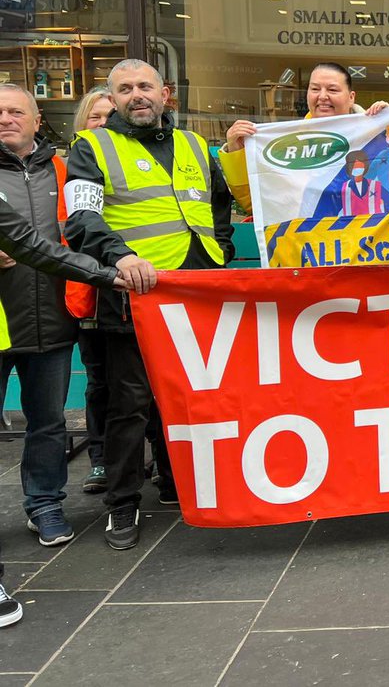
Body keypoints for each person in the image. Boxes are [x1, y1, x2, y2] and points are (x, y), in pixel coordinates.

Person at [66, 59, 235, 551]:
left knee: (190, 398)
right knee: (131, 405)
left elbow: (220, 202)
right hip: (135, 298)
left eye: (145, 86)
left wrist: (219, 248)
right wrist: (123, 256)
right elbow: (81, 219)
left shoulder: (196, 146)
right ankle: (122, 504)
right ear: (113, 99)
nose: (136, 95)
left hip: (198, 294)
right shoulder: (91, 146)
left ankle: (178, 484)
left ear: (166, 95)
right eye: (125, 88)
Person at [0, 193, 130, 629]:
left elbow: (30, 244)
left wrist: (104, 274)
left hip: (40, 321)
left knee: (48, 419)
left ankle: (43, 505)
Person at [0, 85, 97, 547]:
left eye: (16, 111)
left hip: (54, 317)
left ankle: (45, 504)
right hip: (2, 320)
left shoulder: (63, 170)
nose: (6, 119)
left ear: (38, 121)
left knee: (48, 421)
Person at [219, 62, 389, 214]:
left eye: (332, 89)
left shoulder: (374, 135)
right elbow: (252, 203)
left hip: (365, 244)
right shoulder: (285, 144)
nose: (322, 96)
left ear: (351, 97)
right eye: (315, 89)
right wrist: (235, 150)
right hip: (308, 245)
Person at [71, 88, 115, 495]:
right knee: (99, 380)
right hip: (87, 296)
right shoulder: (68, 169)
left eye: (108, 116)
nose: (102, 124)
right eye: (94, 117)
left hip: (124, 291)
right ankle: (101, 460)